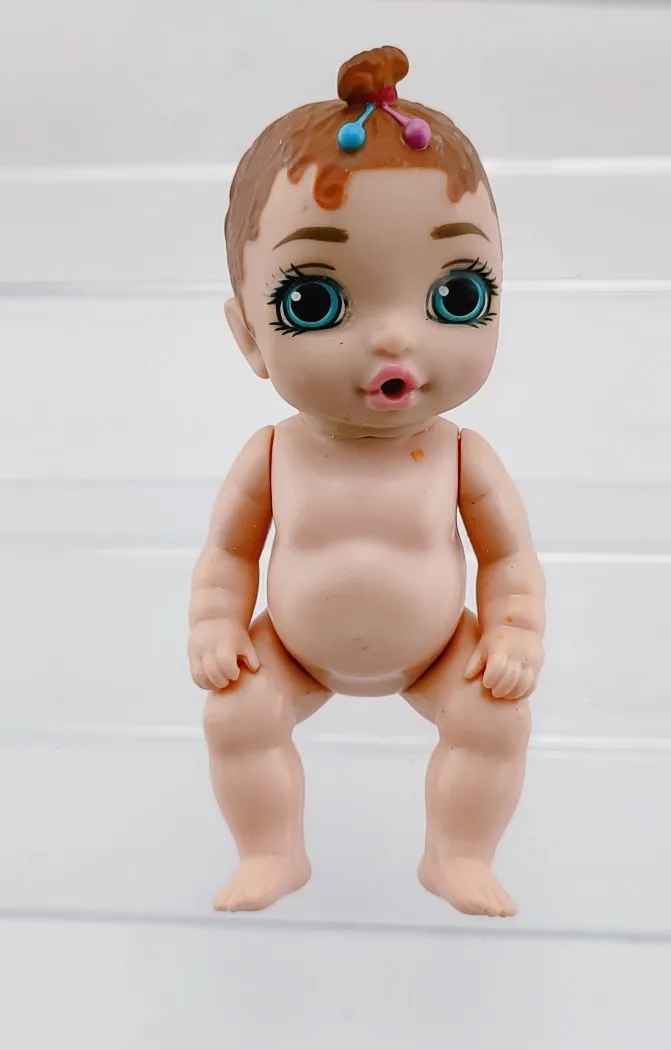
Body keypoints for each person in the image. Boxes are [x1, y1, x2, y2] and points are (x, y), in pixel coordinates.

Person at [187, 45, 546, 917]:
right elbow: (228, 553)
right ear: (248, 337)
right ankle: (271, 851)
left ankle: (457, 854)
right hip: (291, 652)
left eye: (456, 295)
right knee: (237, 715)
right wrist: (215, 622)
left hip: (438, 651)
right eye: (314, 302)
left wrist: (514, 632)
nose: (396, 339)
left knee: (494, 719)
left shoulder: (461, 456)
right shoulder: (272, 454)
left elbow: (508, 559)